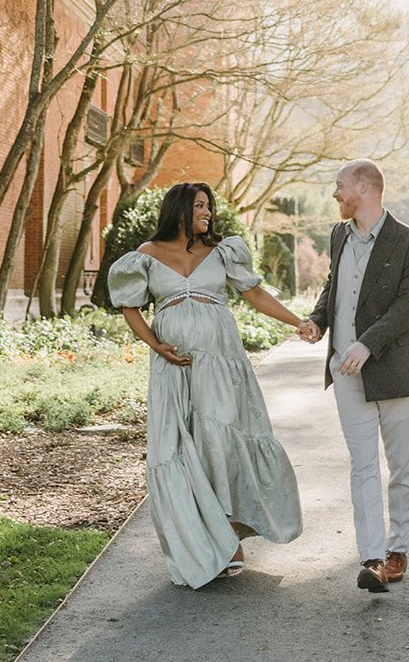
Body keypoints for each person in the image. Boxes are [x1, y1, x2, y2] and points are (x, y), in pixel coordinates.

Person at [109, 181, 305, 588]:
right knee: (182, 448)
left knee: (222, 444)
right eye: (200, 206)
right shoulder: (144, 256)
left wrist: (298, 322)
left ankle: (230, 538)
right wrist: (158, 346)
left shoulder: (222, 252)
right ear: (179, 209)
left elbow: (254, 294)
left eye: (209, 206)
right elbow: (130, 308)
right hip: (175, 368)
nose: (208, 213)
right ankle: (198, 544)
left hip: (221, 364)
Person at [297, 159, 409, 594]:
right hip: (345, 373)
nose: (335, 195)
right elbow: (332, 285)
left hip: (393, 371)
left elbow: (407, 305)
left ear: (364, 188)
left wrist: (366, 343)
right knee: (363, 465)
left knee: (402, 466)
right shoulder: (338, 234)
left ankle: (398, 550)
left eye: (340, 187)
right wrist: (319, 320)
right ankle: (373, 559)